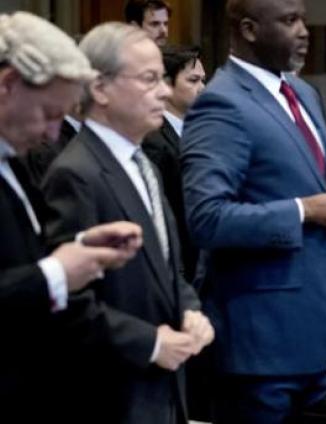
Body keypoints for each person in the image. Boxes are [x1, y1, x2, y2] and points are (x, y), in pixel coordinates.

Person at [180, 0, 326, 421]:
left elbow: (297, 183)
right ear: (249, 29)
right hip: (259, 349)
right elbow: (206, 218)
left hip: (315, 336)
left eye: (303, 19)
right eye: (289, 21)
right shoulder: (221, 104)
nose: (304, 30)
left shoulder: (303, 93)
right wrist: (304, 210)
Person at [41, 22, 213, 423]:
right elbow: (66, 300)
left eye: (163, 79)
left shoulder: (144, 164)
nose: (164, 92)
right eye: (149, 79)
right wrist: (150, 343)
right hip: (114, 394)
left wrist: (191, 310)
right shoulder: (75, 173)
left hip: (165, 391)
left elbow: (168, 268)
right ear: (100, 88)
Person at [0, 12, 144, 421]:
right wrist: (56, 273)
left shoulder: (14, 161)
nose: (52, 133)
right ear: (8, 83)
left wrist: (81, 247)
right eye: (49, 113)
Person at [142, 45, 206, 283]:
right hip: (177, 267)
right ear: (167, 84)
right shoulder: (154, 141)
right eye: (193, 80)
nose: (203, 88)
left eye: (203, 80)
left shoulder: (199, 131)